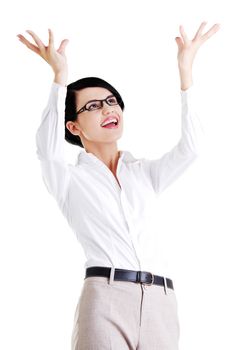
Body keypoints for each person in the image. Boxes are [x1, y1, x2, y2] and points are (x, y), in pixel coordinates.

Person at [17, 22, 220, 350]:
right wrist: (59, 77)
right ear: (73, 125)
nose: (108, 109)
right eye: (93, 106)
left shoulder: (144, 174)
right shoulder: (68, 179)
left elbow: (193, 148)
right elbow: (47, 147)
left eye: (112, 101)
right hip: (106, 297)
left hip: (162, 301)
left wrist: (186, 73)